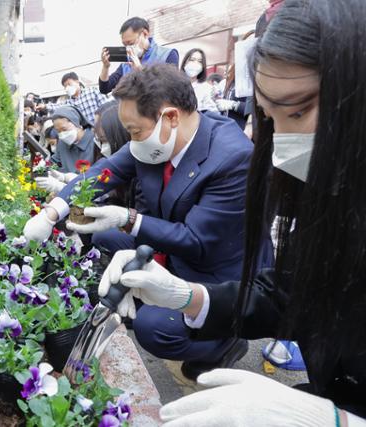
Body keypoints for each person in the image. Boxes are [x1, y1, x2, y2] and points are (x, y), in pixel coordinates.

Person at [100, 0, 366, 424]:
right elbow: (289, 295)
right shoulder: (329, 200)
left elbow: (197, 239)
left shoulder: (227, 156)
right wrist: (190, 298)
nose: (281, 144)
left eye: (298, 110)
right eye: (270, 118)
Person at [25, 64, 274, 377]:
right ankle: (155, 296)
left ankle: (224, 341)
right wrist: (53, 212)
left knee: (152, 328)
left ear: (170, 117)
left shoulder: (232, 158)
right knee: (104, 239)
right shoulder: (154, 143)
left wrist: (128, 219)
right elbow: (102, 174)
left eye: (134, 131)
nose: (131, 140)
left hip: (213, 267)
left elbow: (195, 241)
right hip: (171, 245)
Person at [98, 17, 179, 95]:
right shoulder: (127, 63)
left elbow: (171, 90)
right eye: (125, 45)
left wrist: (140, 71)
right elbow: (104, 88)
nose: (128, 48)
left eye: (131, 43)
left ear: (145, 34)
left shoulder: (168, 55)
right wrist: (105, 67)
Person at [42, 72, 109, 126]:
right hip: (89, 135)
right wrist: (45, 106)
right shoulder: (68, 103)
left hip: (103, 128)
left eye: (69, 84)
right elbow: (57, 106)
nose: (67, 88)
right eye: (65, 86)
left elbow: (106, 107)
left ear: (77, 82)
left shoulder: (92, 91)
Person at [49, 106, 95, 174]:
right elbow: (54, 162)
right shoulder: (62, 143)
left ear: (76, 123)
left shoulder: (94, 141)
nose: (62, 134)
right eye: (58, 131)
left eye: (64, 129)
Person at [181, 49, 218, 113]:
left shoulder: (207, 88)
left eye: (200, 61)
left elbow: (213, 114)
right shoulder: (174, 84)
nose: (195, 63)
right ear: (184, 63)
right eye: (192, 60)